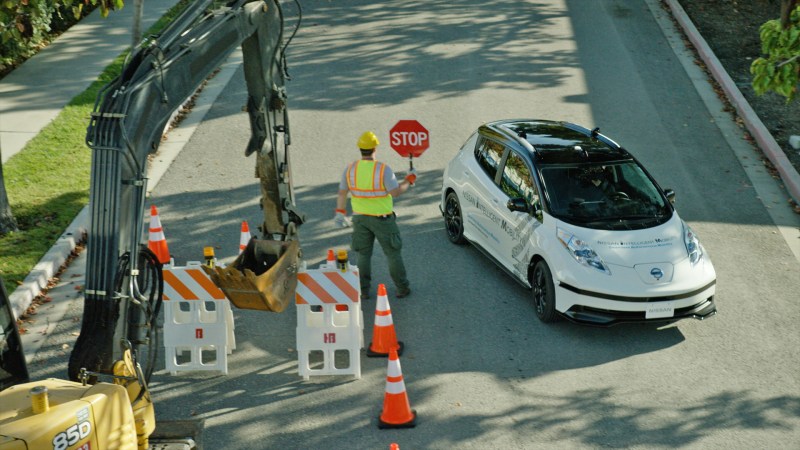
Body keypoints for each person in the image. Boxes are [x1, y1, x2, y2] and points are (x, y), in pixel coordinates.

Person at [334, 131, 417, 300]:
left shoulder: (350, 169)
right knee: (393, 253)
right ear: (375, 148)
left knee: (363, 255)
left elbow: (342, 193)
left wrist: (340, 212)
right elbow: (395, 192)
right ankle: (402, 288)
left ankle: (363, 291)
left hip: (360, 219)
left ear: (360, 148)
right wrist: (409, 179)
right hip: (382, 219)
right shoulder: (383, 170)